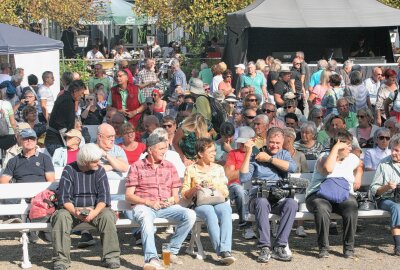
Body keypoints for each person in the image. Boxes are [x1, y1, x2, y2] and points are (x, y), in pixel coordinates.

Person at [126, 133, 196, 269]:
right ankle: (152, 258)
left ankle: (172, 250)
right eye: (161, 149)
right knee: (146, 219)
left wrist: (171, 200)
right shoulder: (137, 166)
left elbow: (176, 197)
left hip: (166, 207)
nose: (165, 152)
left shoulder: (169, 166)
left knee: (190, 214)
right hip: (144, 206)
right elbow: (128, 196)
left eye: (165, 148)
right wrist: (149, 202)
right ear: (150, 150)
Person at [51, 143, 121, 270]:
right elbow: (64, 198)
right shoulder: (69, 170)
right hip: (72, 209)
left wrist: (94, 213)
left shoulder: (99, 170)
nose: (99, 163)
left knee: (107, 216)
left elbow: (104, 198)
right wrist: (75, 212)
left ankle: (111, 257)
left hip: (96, 208)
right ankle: (61, 260)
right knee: (60, 217)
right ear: (85, 161)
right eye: (95, 161)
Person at [240, 127, 298, 262]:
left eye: (278, 143)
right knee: (262, 202)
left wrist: (269, 160)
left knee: (292, 203)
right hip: (258, 199)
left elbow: (293, 168)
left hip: (278, 198)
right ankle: (265, 247)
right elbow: (243, 178)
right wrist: (248, 152)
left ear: (283, 142)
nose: (275, 146)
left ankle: (279, 247)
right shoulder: (257, 155)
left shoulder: (284, 154)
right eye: (272, 142)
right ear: (266, 140)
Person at [306, 129, 362, 259]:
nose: (350, 148)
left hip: (342, 195)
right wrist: (335, 149)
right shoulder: (323, 158)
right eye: (347, 145)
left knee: (351, 204)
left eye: (350, 144)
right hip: (319, 195)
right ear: (337, 144)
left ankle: (349, 248)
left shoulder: (351, 158)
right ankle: (324, 248)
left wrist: (359, 175)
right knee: (321, 207)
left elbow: (360, 164)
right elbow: (328, 169)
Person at [182, 137, 236, 265]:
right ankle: (221, 252)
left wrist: (214, 187)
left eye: (214, 151)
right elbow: (184, 194)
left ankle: (225, 250)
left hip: (218, 200)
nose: (214, 153)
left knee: (225, 211)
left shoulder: (218, 168)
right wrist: (195, 189)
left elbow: (225, 191)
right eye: (210, 151)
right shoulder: (191, 169)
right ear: (200, 153)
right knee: (210, 214)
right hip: (200, 203)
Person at [370, 134, 400, 256]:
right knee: (397, 207)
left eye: (397, 150)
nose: (393, 153)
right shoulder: (384, 163)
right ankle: (398, 246)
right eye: (392, 149)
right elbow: (374, 189)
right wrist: (387, 187)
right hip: (386, 199)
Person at [45, 80, 86, 156]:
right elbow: (60, 123)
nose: (82, 96)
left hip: (55, 139)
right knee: (62, 164)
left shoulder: (66, 98)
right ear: (75, 91)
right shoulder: (67, 101)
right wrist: (67, 140)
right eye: (81, 93)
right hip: (56, 140)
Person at [282, 127, 309, 237]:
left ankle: (300, 226)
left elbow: (306, 173)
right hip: (283, 184)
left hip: (297, 185)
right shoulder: (279, 154)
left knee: (303, 189)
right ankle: (277, 225)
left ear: (289, 139)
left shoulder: (300, 155)